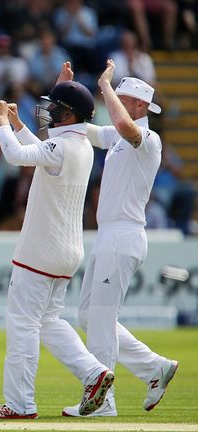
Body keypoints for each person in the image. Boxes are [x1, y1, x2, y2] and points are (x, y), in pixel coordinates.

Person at [0, 69, 114, 419]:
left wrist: (0, 123)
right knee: (50, 321)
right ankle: (94, 372)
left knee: (22, 324)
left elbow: (16, 155)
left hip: (40, 251)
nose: (50, 112)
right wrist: (15, 120)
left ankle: (20, 404)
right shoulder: (80, 144)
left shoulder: (62, 146)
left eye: (56, 108)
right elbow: (40, 150)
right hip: (67, 252)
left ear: (69, 115)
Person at [61, 60, 178, 417]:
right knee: (88, 315)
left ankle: (103, 402)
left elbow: (125, 126)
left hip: (124, 234)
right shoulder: (117, 135)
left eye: (121, 98)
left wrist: (105, 85)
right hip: (109, 234)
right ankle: (154, 367)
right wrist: (65, 93)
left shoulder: (148, 139)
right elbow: (84, 131)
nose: (114, 103)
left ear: (140, 105)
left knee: (101, 317)